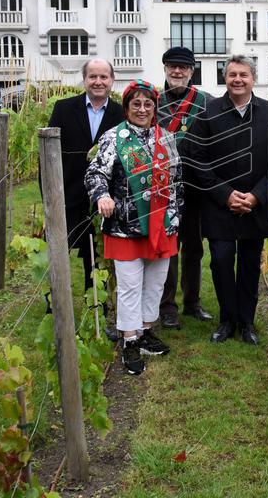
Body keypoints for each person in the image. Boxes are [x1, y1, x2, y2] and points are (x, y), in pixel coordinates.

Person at [186, 55, 268, 345]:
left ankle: (247, 322)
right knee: (220, 260)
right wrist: (224, 194)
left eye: (243, 74)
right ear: (225, 78)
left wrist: (257, 195)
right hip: (220, 205)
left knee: (249, 264)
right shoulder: (208, 113)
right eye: (232, 74)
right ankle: (227, 320)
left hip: (255, 204)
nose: (237, 79)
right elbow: (196, 157)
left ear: (253, 79)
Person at [85, 79, 182, 375]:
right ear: (127, 108)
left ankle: (144, 331)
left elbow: (177, 180)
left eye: (148, 104)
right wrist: (102, 196)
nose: (142, 109)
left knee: (155, 284)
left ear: (155, 108)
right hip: (125, 226)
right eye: (136, 104)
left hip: (162, 225)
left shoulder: (166, 138)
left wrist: (176, 218)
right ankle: (129, 341)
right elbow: (96, 172)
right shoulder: (113, 137)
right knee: (129, 286)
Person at [47, 59, 124, 336]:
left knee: (96, 256)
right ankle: (54, 306)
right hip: (66, 195)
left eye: (104, 76)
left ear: (112, 80)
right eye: (93, 76)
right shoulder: (64, 109)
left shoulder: (120, 113)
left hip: (102, 201)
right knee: (59, 253)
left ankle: (97, 309)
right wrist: (50, 198)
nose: (98, 82)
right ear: (84, 79)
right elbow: (47, 155)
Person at [156, 47, 214, 330]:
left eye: (183, 67)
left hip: (195, 185)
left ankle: (192, 302)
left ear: (192, 71)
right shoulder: (152, 102)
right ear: (165, 69)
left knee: (194, 246)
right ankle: (167, 306)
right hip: (162, 187)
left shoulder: (207, 102)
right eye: (171, 66)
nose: (176, 72)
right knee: (168, 247)